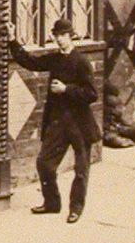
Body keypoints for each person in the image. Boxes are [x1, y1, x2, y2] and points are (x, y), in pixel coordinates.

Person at [8, 15, 100, 222]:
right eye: (56, 35)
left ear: (71, 36)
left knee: (81, 170)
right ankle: (52, 203)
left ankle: (76, 208)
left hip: (80, 124)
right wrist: (13, 40)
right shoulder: (55, 59)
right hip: (58, 122)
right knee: (44, 164)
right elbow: (30, 62)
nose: (59, 39)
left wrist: (66, 89)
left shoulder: (82, 61)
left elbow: (92, 94)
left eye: (63, 35)